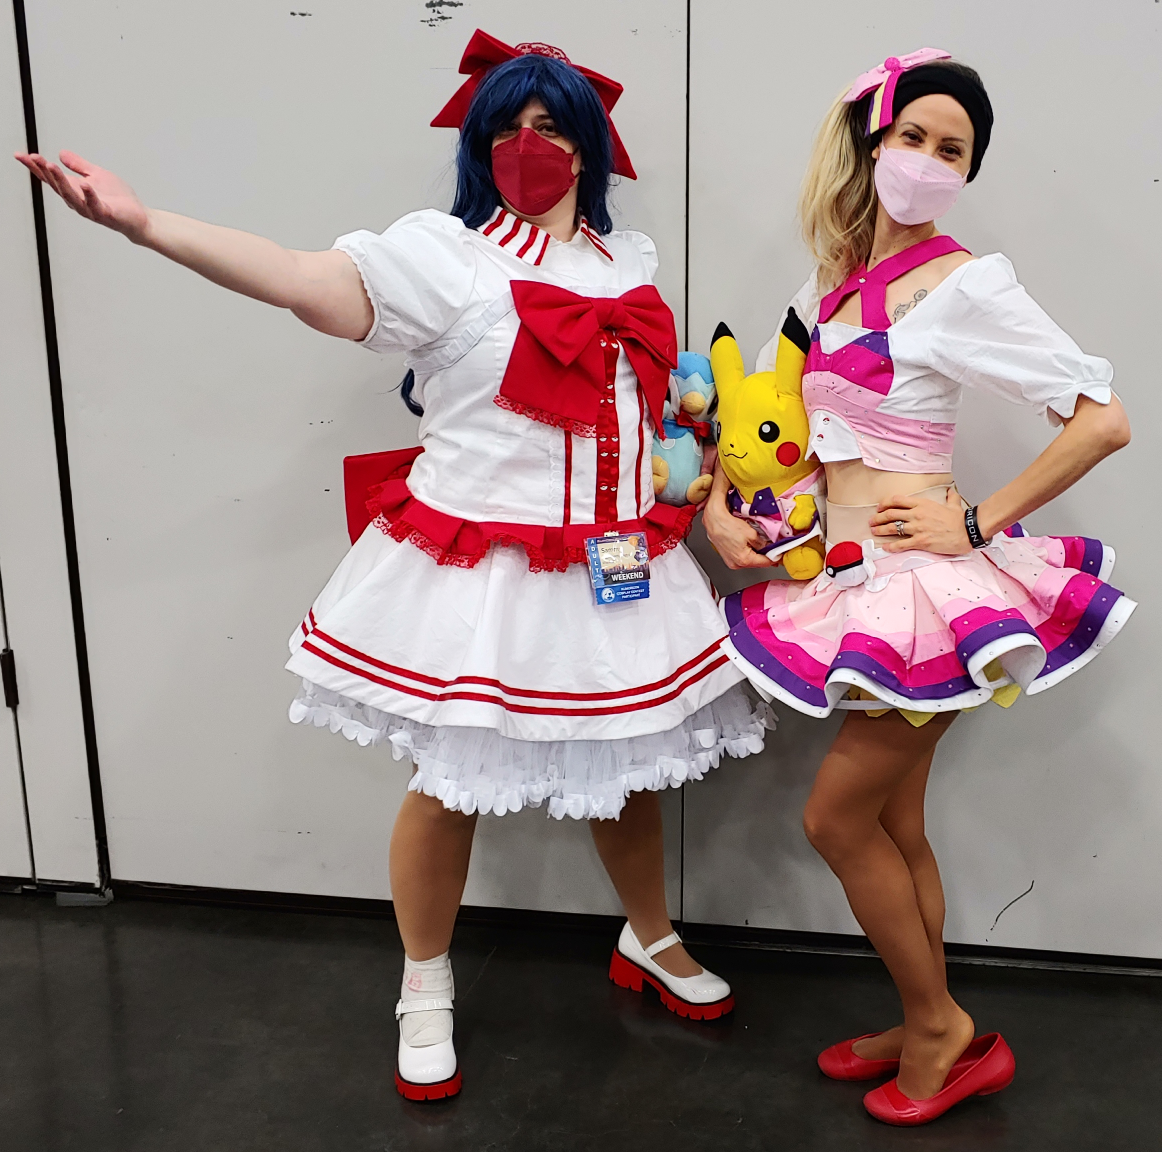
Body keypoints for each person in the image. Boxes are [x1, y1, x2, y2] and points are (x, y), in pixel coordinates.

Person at [17, 30, 771, 1102]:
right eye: (507, 126)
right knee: (446, 787)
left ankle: (647, 936)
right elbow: (300, 278)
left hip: (616, 566)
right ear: (478, 145)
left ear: (590, 146)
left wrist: (707, 502)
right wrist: (146, 225)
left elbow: (653, 418)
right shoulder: (444, 257)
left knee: (625, 770)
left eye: (552, 125)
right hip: (482, 575)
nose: (530, 144)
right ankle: (424, 980)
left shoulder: (627, 265)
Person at [703, 48, 1134, 1126]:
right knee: (894, 824)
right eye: (914, 137)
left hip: (926, 590)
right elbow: (780, 428)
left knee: (835, 819)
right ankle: (922, 1014)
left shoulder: (961, 284)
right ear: (872, 139)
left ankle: (942, 1029)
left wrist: (977, 518)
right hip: (852, 575)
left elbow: (1102, 420)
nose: (929, 162)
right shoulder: (828, 285)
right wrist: (723, 505)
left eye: (953, 150)